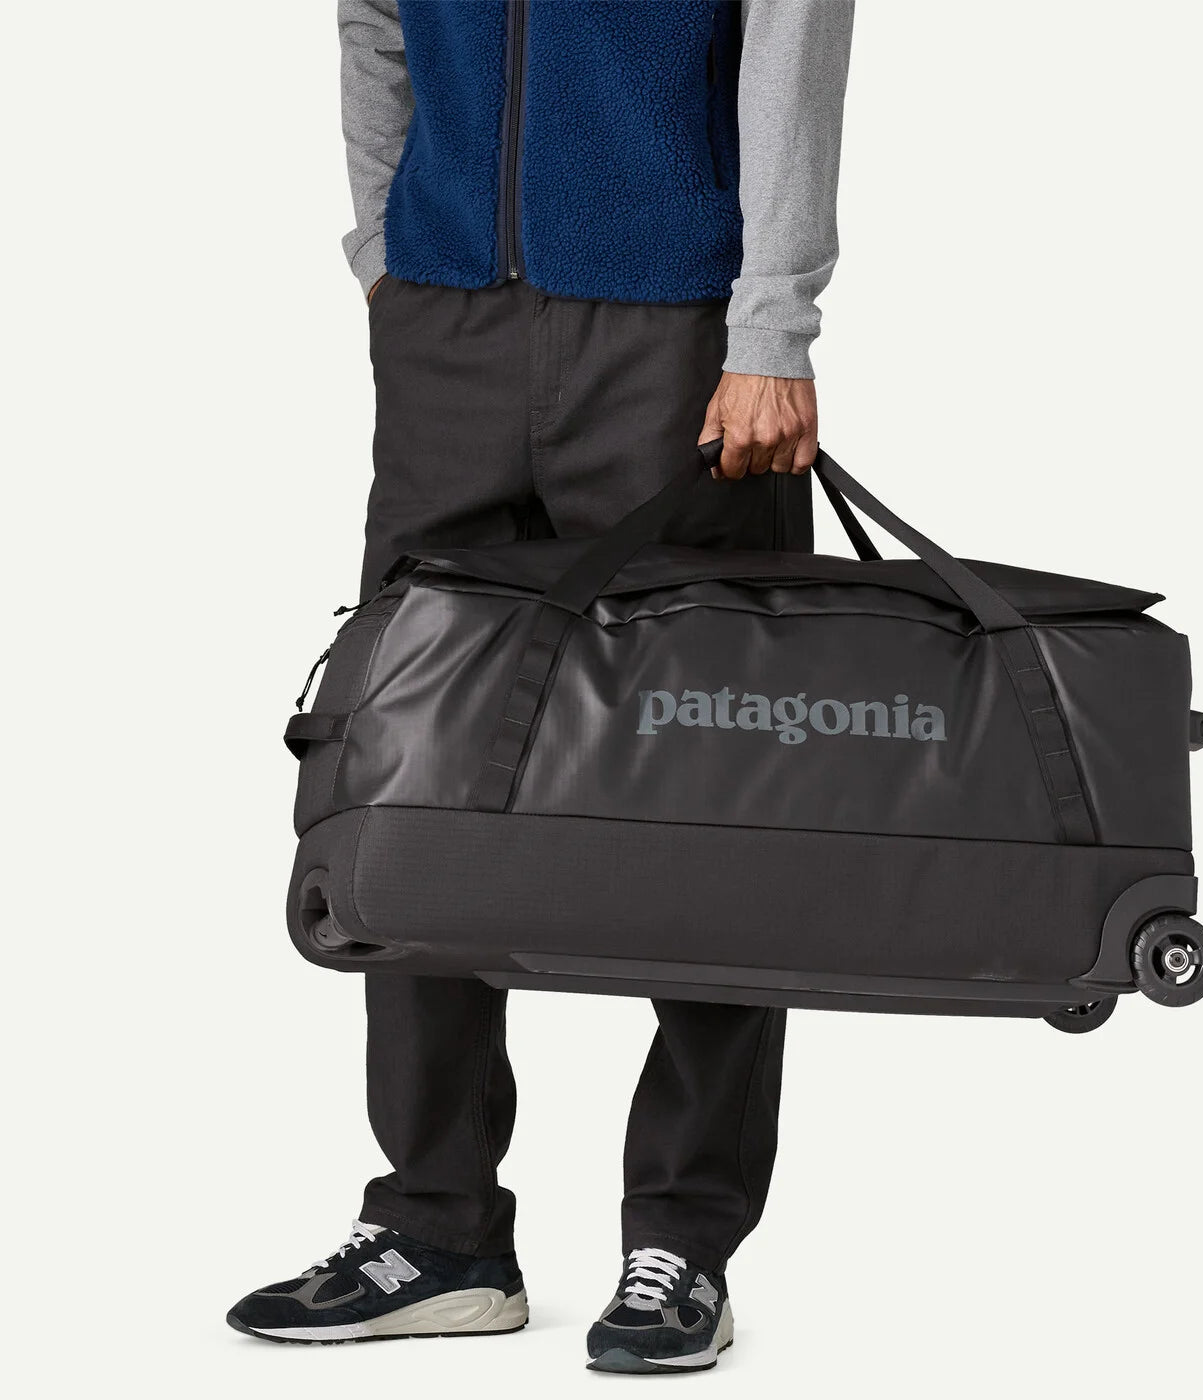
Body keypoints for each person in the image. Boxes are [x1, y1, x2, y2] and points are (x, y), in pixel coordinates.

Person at [228, 0, 854, 1373]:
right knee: (412, 768)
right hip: (447, 319)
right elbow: (375, 16)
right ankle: (437, 1227)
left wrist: (771, 324)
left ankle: (683, 1241)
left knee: (707, 783)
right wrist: (388, 248)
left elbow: (792, 33)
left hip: (671, 326)